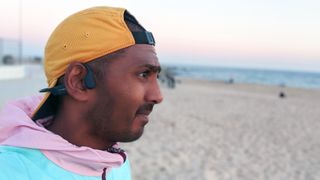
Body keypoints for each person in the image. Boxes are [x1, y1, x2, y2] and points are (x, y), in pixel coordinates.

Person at [0, 6, 163, 180]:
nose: (158, 96)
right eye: (143, 74)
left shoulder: (116, 164)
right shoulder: (10, 171)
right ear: (78, 82)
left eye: (156, 77)